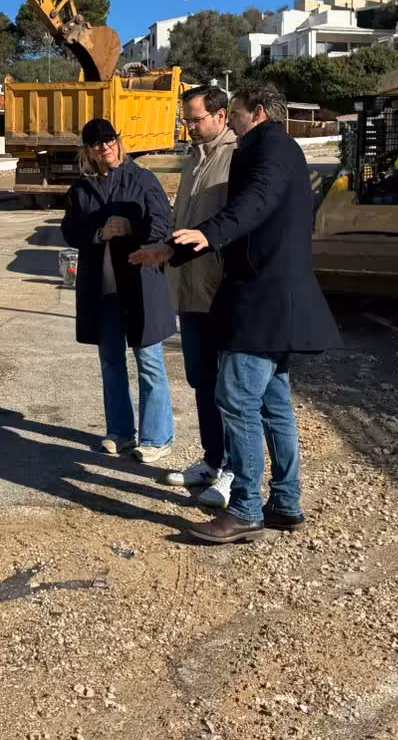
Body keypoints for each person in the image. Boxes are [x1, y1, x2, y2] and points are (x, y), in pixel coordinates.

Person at [133, 82, 340, 543]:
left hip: (262, 300)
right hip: (275, 299)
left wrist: (209, 233)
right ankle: (286, 503)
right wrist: (172, 251)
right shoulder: (278, 149)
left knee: (236, 398)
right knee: (273, 404)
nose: (233, 119)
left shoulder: (268, 149)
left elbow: (253, 204)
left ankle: (245, 509)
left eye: (238, 111)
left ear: (257, 112)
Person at [60, 117, 177, 464]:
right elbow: (70, 231)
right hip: (103, 292)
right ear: (88, 151)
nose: (105, 148)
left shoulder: (142, 179)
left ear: (119, 142)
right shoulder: (81, 190)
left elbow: (163, 223)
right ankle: (120, 433)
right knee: (111, 363)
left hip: (141, 288)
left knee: (150, 362)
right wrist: (98, 234)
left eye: (109, 141)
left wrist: (131, 227)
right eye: (97, 145)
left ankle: (157, 437)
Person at [164, 85, 238, 506]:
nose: (189, 127)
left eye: (195, 119)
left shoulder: (236, 158)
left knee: (229, 387)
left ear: (221, 117)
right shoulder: (193, 159)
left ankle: (233, 471)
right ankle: (212, 460)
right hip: (189, 289)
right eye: (186, 120)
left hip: (221, 291)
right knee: (201, 381)